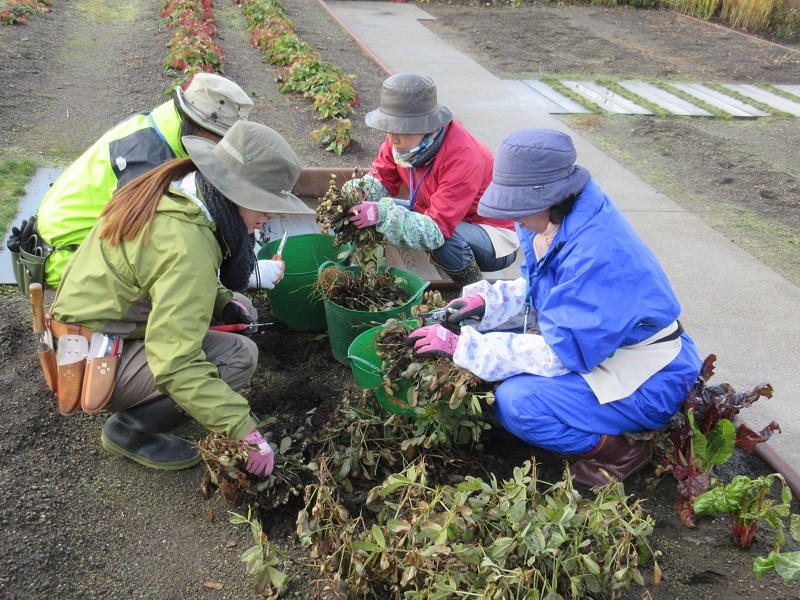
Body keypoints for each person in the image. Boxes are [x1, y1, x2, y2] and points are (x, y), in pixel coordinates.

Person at [408, 128, 702, 487]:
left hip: (649, 377)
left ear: (551, 198)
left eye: (518, 209)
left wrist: (463, 347)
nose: (514, 220)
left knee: (517, 402)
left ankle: (619, 451)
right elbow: (545, 288)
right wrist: (486, 303)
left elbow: (562, 353)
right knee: (492, 340)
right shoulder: (561, 220)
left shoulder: (597, 253)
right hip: (603, 346)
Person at [47, 121, 315, 473]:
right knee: (240, 356)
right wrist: (243, 430)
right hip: (88, 356)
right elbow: (175, 362)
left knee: (242, 305)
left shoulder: (181, 190)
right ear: (232, 190)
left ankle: (146, 400)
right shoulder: (187, 244)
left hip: (97, 323)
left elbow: (162, 274)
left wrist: (221, 300)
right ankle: (132, 430)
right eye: (264, 204)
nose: (270, 215)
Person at [32, 72, 255, 290]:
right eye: (222, 138)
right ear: (199, 127)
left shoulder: (162, 127)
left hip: (78, 246)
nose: (223, 149)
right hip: (68, 261)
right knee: (189, 293)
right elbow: (153, 248)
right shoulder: (147, 162)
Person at [344, 73, 519, 287]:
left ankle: (476, 290)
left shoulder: (464, 157)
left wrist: (380, 216)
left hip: (491, 235)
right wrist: (355, 194)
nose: (392, 138)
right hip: (435, 213)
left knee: (442, 241)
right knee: (375, 208)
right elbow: (381, 179)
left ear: (427, 125)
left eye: (401, 130)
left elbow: (437, 227)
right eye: (389, 128)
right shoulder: (402, 143)